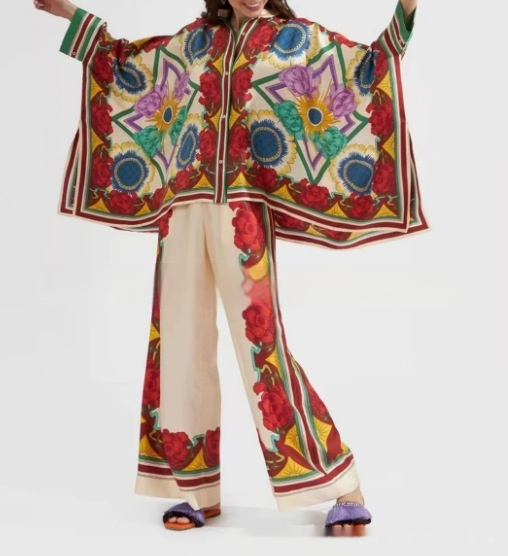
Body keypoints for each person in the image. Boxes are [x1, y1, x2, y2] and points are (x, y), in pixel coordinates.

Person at [33, 0, 425, 531]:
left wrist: (406, 9)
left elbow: (367, 68)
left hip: (243, 214)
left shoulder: (294, 42)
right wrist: (69, 14)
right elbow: (125, 66)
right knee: (178, 341)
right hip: (184, 210)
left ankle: (340, 481)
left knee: (262, 346)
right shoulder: (193, 43)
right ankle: (194, 488)